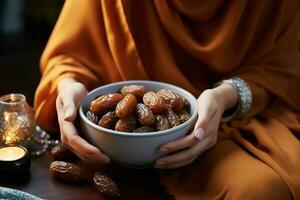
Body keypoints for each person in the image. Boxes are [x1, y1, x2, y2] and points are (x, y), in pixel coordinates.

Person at [34, 1, 300, 199]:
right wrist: (68, 87)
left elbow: (285, 66)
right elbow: (67, 58)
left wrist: (227, 95)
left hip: (234, 123)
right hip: (110, 143)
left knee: (262, 189)